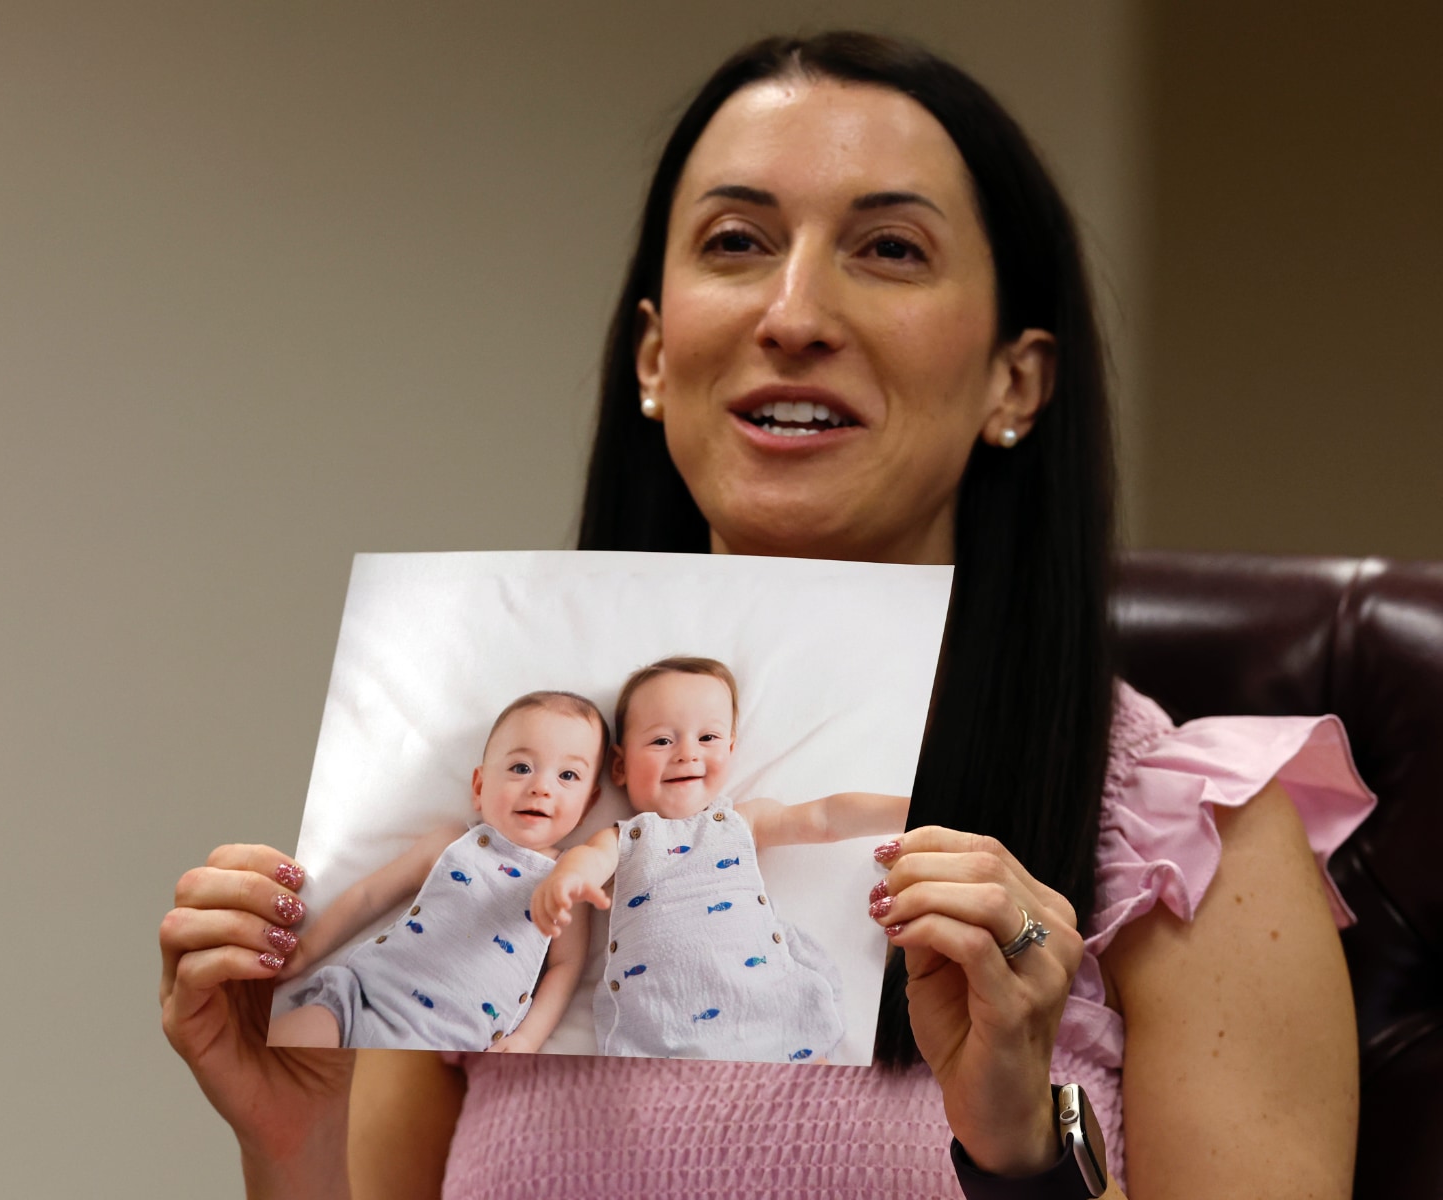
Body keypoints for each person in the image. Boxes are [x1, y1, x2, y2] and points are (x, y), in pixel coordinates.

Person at [158, 31, 1372, 1199]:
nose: (792, 314)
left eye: (890, 249)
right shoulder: (520, 797)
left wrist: (1018, 1156)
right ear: (652, 355)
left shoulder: (1185, 837)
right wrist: (291, 1137)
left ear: (1017, 379)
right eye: (737, 241)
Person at [529, 655, 908, 1062]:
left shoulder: (740, 821)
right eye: (661, 741)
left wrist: (908, 809)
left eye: (707, 738)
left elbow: (826, 817)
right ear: (620, 765)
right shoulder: (627, 838)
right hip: (661, 1019)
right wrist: (566, 880)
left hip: (762, 999)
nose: (686, 753)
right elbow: (587, 858)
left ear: (730, 748)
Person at [266, 691, 606, 1052]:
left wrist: (527, 1039)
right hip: (362, 1001)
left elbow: (566, 967)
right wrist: (303, 954)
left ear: (588, 806)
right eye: (520, 768)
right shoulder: (454, 843)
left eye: (568, 775)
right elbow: (369, 896)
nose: (541, 787)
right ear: (479, 787)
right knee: (285, 1053)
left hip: (455, 1044)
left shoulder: (567, 878)